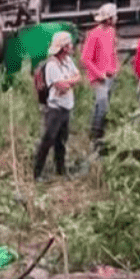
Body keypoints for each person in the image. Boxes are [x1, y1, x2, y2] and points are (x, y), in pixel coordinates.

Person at [35, 31, 80, 181]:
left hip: (67, 107)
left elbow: (78, 76)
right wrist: (69, 81)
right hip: (55, 109)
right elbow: (62, 87)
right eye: (69, 44)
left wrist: (68, 81)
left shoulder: (68, 60)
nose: (72, 46)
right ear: (64, 47)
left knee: (62, 141)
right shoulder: (51, 65)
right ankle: (37, 173)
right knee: (48, 140)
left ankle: (60, 170)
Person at [80, 3, 119, 155]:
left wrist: (115, 68)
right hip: (99, 79)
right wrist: (98, 74)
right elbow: (85, 59)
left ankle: (100, 138)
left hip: (110, 76)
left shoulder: (111, 32)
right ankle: (96, 140)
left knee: (104, 108)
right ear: (108, 18)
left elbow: (112, 52)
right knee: (101, 107)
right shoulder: (93, 34)